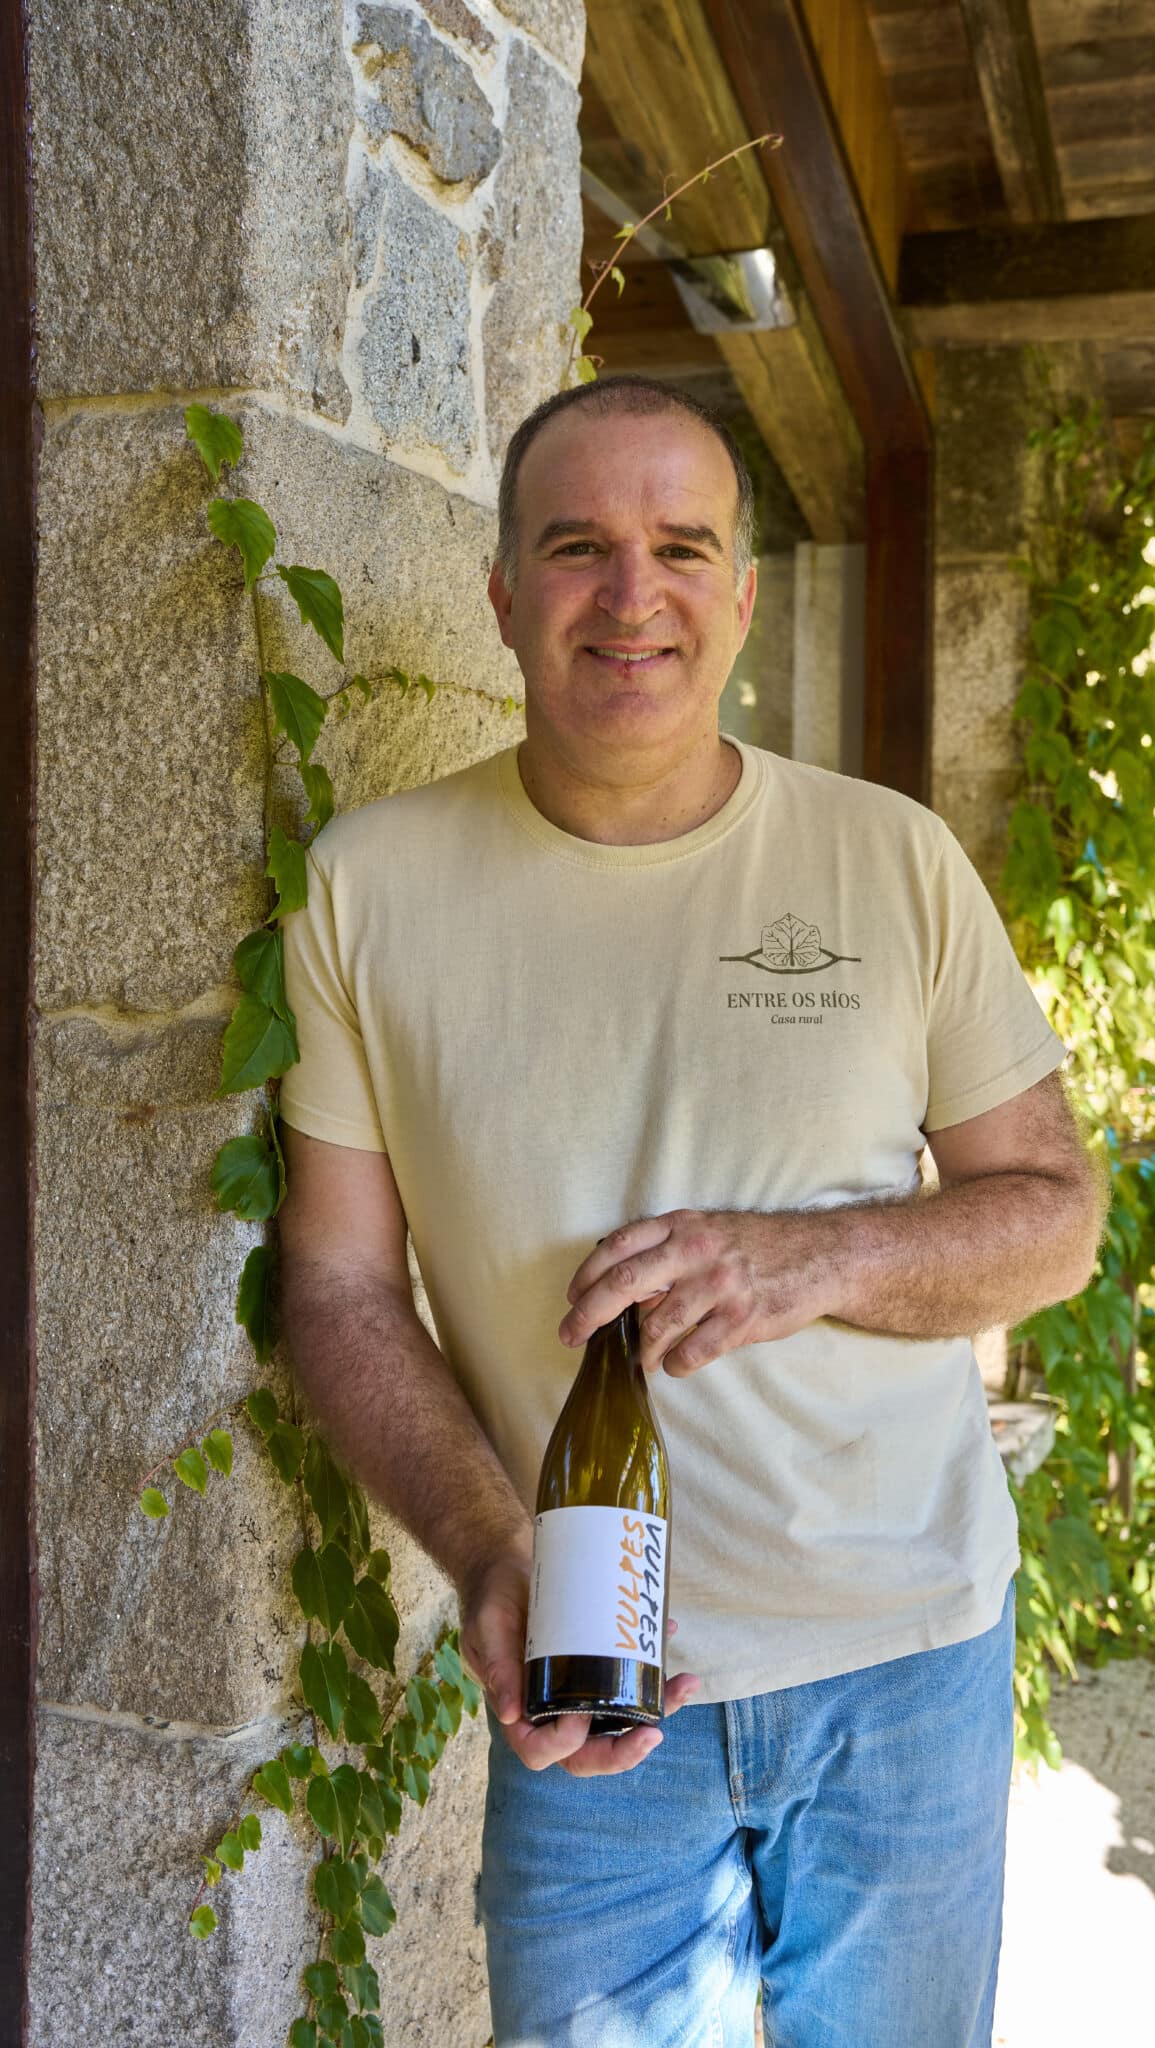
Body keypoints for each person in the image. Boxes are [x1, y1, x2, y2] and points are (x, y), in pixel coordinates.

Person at [276, 372, 1106, 2047]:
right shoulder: (366, 887)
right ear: (502, 593)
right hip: (594, 1680)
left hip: (904, 1660)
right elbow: (341, 1288)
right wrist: (486, 1549)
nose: (629, 593)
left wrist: (817, 1255)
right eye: (575, 545)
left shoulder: (888, 860)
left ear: (739, 593)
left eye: (679, 546)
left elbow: (1052, 1217)